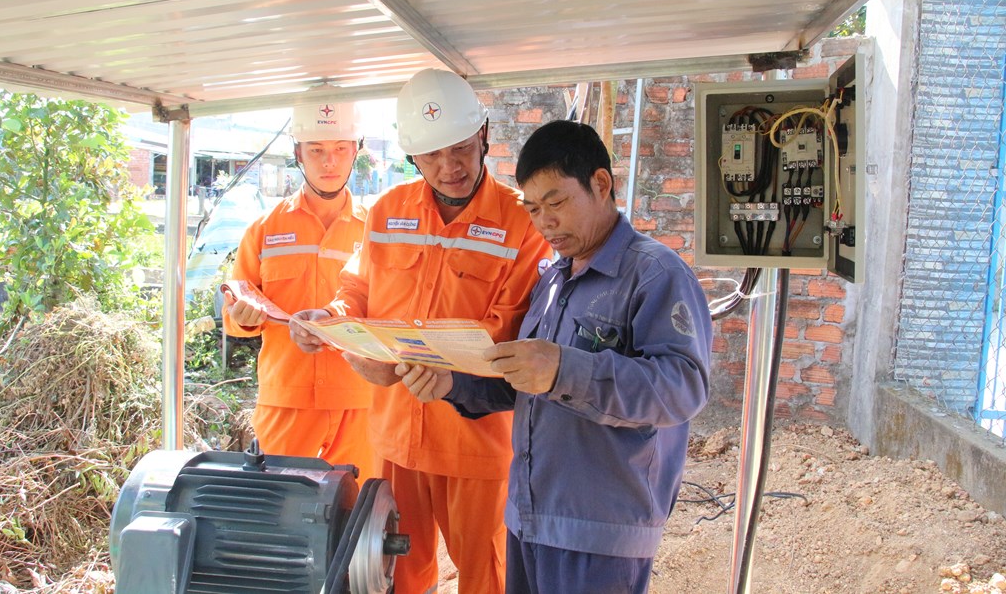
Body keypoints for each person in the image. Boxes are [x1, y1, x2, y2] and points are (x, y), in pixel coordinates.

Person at [397, 120, 713, 594]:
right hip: (529, 518)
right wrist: (453, 384)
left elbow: (682, 387)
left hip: (600, 531)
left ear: (600, 184)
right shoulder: (554, 279)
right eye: (532, 209)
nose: (544, 221)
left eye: (556, 202)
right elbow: (525, 381)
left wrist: (564, 369)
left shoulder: (654, 274)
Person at [290, 69, 553, 594]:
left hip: (475, 443)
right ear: (412, 156)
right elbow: (357, 288)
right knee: (397, 578)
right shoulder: (388, 210)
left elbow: (505, 327)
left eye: (460, 149)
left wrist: (407, 363)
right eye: (431, 156)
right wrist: (332, 318)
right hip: (395, 441)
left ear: (483, 135)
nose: (449, 167)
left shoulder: (521, 222)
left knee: (487, 578)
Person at [222, 102, 376, 479]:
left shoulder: (375, 231)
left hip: (360, 400)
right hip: (285, 402)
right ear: (298, 153)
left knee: (360, 509)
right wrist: (243, 318)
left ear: (356, 151)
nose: (329, 162)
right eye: (317, 150)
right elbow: (233, 312)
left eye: (340, 149)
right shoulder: (264, 230)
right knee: (280, 507)